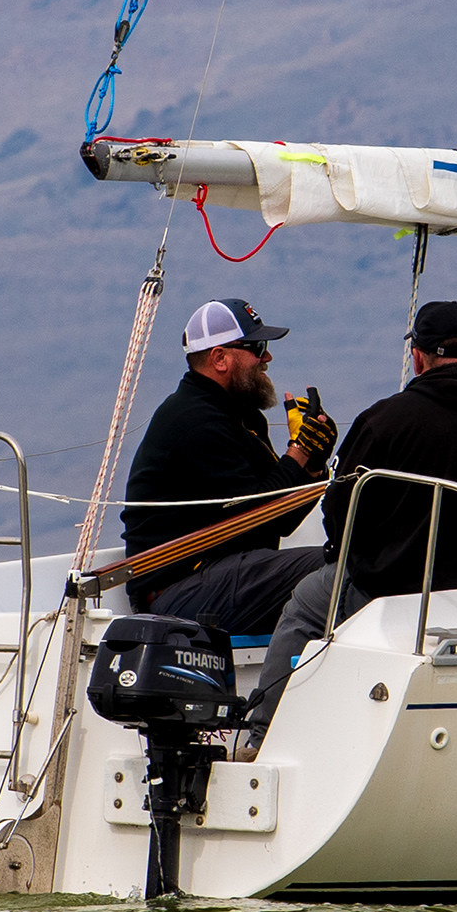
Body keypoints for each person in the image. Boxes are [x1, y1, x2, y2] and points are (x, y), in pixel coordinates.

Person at [250, 299, 457, 726]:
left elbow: (340, 517)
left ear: (419, 357)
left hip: (403, 588)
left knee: (305, 605)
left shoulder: (386, 421)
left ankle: (262, 734)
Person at [117, 298, 339, 700]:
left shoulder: (240, 415)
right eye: (256, 349)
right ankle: (272, 708)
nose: (267, 357)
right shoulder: (193, 420)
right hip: (177, 591)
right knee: (341, 566)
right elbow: (257, 513)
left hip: (227, 572)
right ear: (220, 358)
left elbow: (280, 518)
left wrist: (311, 464)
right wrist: (298, 452)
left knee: (340, 562)